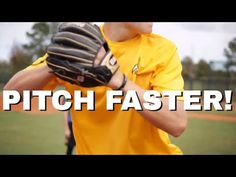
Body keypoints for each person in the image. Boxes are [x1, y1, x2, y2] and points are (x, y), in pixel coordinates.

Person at [4, 22, 187, 154]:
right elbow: (10, 97)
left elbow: (177, 122)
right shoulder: (81, 42)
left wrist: (120, 82)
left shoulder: (162, 50)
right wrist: (53, 65)